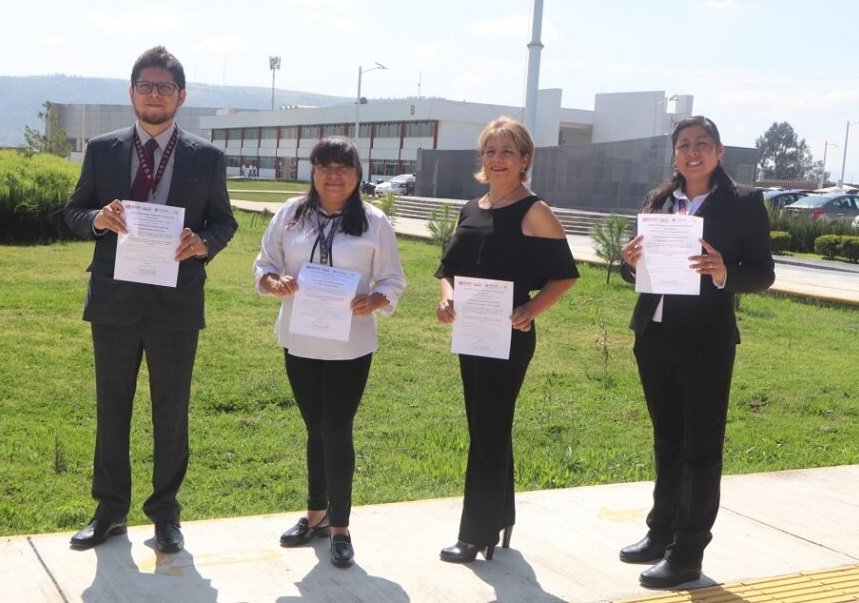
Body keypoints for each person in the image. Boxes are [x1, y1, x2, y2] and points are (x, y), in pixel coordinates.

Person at [64, 46, 238, 553]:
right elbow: (74, 211)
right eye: (146, 86)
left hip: (176, 304)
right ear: (131, 93)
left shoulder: (207, 157)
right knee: (111, 408)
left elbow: (223, 222)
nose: (154, 94)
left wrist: (203, 243)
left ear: (181, 96)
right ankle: (110, 511)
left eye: (164, 87)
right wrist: (97, 220)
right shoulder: (103, 150)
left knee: (171, 411)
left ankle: (165, 515)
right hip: (114, 302)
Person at [618, 116, 775, 588]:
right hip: (654, 335)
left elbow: (763, 273)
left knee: (700, 448)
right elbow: (634, 271)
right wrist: (630, 264)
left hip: (706, 341)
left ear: (719, 151)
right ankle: (660, 532)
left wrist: (724, 272)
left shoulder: (743, 202)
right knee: (666, 441)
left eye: (702, 143)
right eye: (684, 144)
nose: (692, 151)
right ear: (674, 154)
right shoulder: (659, 200)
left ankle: (687, 553)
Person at [253, 136, 406, 568]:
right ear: (313, 171)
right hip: (300, 340)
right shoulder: (291, 215)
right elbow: (264, 264)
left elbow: (393, 279)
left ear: (358, 175)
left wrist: (376, 300)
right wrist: (272, 282)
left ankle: (340, 527)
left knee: (336, 430)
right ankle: (315, 514)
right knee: (314, 429)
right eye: (324, 166)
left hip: (349, 346)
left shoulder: (374, 222)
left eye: (343, 167)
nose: (333, 175)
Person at [434, 116, 579, 563]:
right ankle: (501, 515)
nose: (497, 159)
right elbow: (448, 270)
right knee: (487, 426)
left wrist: (532, 310)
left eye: (507, 152)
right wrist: (447, 298)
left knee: (488, 429)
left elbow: (565, 275)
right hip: (471, 333)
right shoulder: (470, 208)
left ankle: (474, 534)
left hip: (509, 336)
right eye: (490, 151)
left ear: (524, 159)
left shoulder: (535, 211)